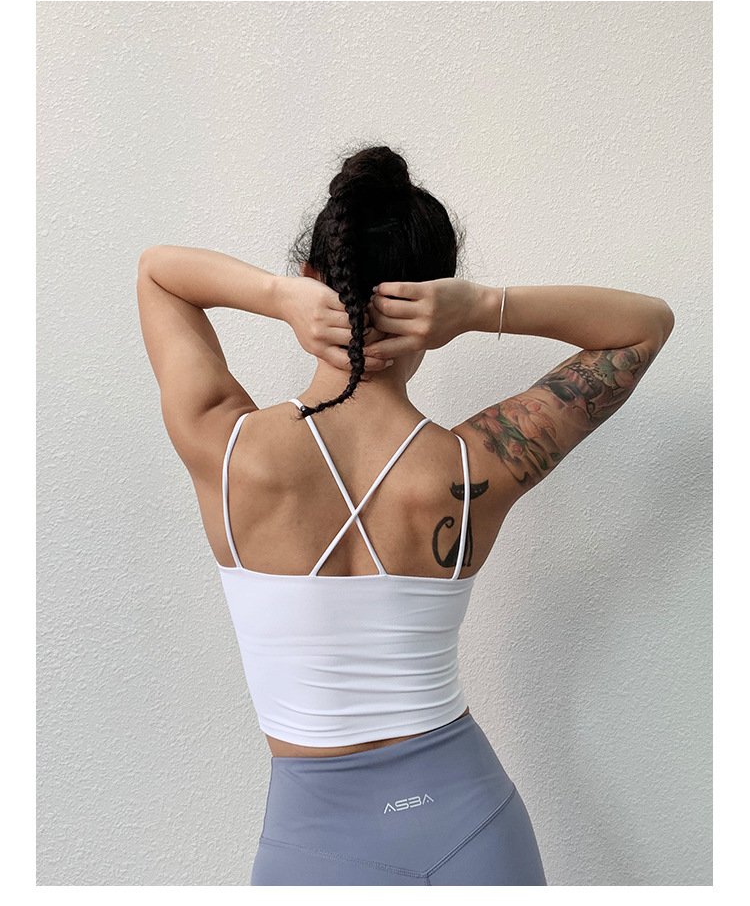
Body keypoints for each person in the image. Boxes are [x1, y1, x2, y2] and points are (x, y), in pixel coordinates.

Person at [136, 144, 675, 885]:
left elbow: (158, 273)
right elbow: (646, 325)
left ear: (313, 280)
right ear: (435, 305)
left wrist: (277, 297)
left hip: (312, 850)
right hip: (475, 831)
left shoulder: (227, 449)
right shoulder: (475, 466)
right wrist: (483, 306)